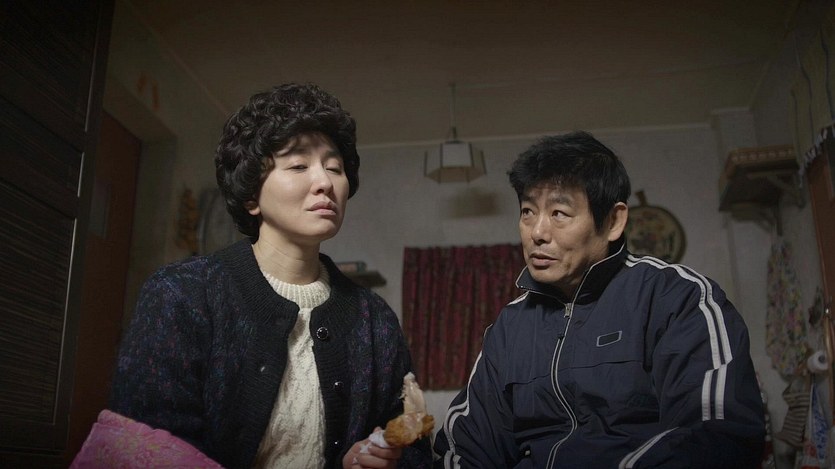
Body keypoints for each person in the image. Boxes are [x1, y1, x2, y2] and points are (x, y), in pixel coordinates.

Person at [107, 83, 431, 469]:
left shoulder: (374, 320)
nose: (325, 182)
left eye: (335, 167)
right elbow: (147, 448)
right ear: (250, 196)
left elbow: (416, 450)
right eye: (298, 166)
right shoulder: (182, 295)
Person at [432, 131, 765, 468]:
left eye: (559, 213)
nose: (537, 232)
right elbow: (466, 447)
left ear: (613, 221)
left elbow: (718, 435)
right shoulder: (509, 327)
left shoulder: (677, 298)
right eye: (528, 211)